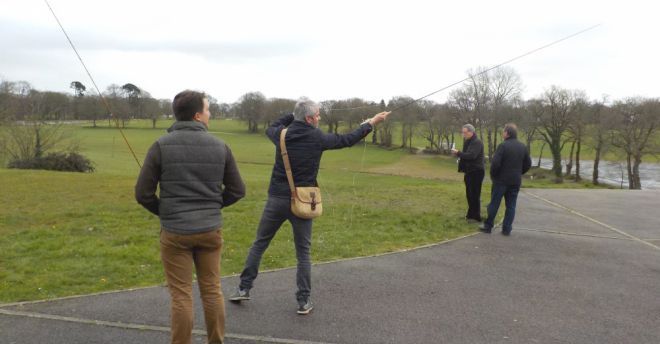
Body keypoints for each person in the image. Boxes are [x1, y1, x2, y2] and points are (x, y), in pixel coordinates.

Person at [229, 97, 389, 315]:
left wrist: (293, 113)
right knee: (303, 253)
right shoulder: (317, 137)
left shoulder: (280, 134)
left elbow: (274, 125)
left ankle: (243, 288)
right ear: (309, 118)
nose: (319, 118)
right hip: (304, 201)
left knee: (259, 244)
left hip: (276, 199)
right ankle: (303, 302)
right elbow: (347, 139)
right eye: (317, 115)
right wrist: (371, 123)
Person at [135, 90, 246, 344]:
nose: (210, 114)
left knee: (181, 295)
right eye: (207, 110)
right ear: (197, 116)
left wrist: (165, 211)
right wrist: (213, 206)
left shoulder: (160, 146)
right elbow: (238, 190)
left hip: (175, 232)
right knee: (212, 290)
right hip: (210, 231)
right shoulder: (221, 146)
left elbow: (143, 193)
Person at [479, 123, 531, 236]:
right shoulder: (523, 147)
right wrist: (519, 172)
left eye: (503, 132)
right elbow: (528, 164)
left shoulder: (503, 146)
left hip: (501, 181)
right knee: (511, 206)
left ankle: (488, 226)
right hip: (515, 181)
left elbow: (495, 164)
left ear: (507, 133)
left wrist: (494, 176)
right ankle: (507, 229)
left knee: (494, 204)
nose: (502, 133)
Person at [451, 124, 485, 222]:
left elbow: (471, 155)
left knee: (474, 194)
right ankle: (470, 215)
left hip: (476, 172)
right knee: (469, 194)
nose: (463, 134)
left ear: (471, 132)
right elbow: (466, 155)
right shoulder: (468, 142)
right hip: (469, 171)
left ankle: (476, 216)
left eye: (465, 132)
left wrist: (458, 153)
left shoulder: (477, 142)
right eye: (463, 132)